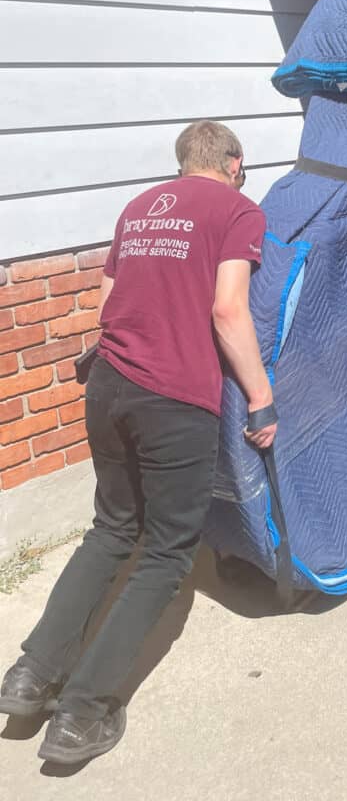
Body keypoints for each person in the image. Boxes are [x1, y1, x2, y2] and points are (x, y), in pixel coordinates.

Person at [0, 120, 276, 763]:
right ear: (237, 162)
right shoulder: (238, 210)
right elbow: (228, 308)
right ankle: (82, 713)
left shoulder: (139, 206)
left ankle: (30, 675)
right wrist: (261, 396)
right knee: (166, 553)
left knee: (112, 530)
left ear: (182, 163)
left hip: (109, 386)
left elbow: (109, 302)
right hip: (173, 398)